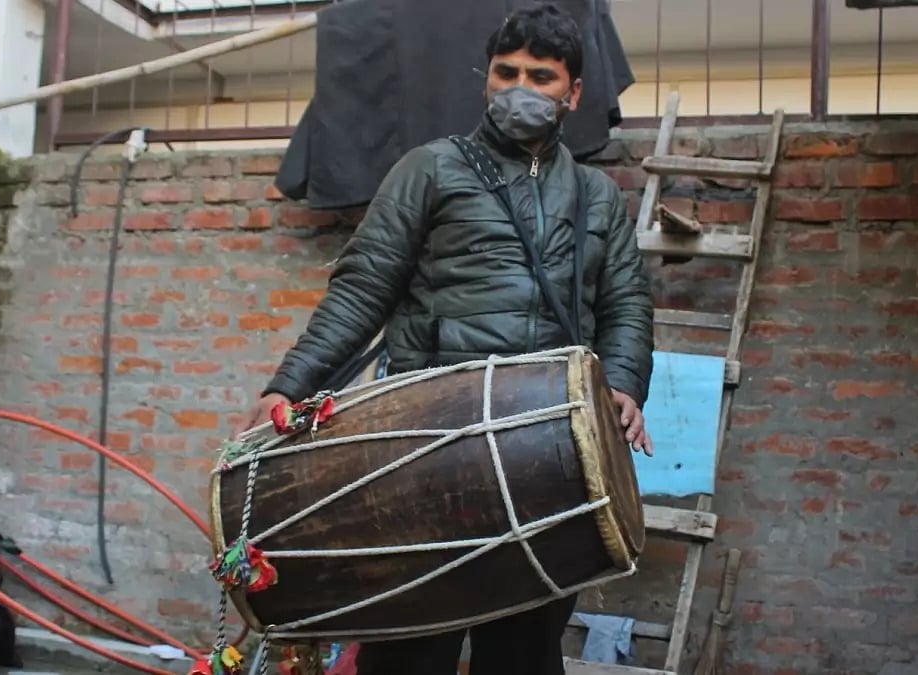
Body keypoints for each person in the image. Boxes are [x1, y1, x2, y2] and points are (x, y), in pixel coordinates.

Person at [235, 3, 654, 673]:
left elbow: (625, 301)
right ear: (486, 78)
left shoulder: (597, 195)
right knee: (410, 647)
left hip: (550, 451)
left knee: (523, 652)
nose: (519, 88)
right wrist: (291, 383)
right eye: (506, 72)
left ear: (574, 93)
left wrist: (626, 382)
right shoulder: (429, 168)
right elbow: (362, 288)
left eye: (541, 76)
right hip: (430, 442)